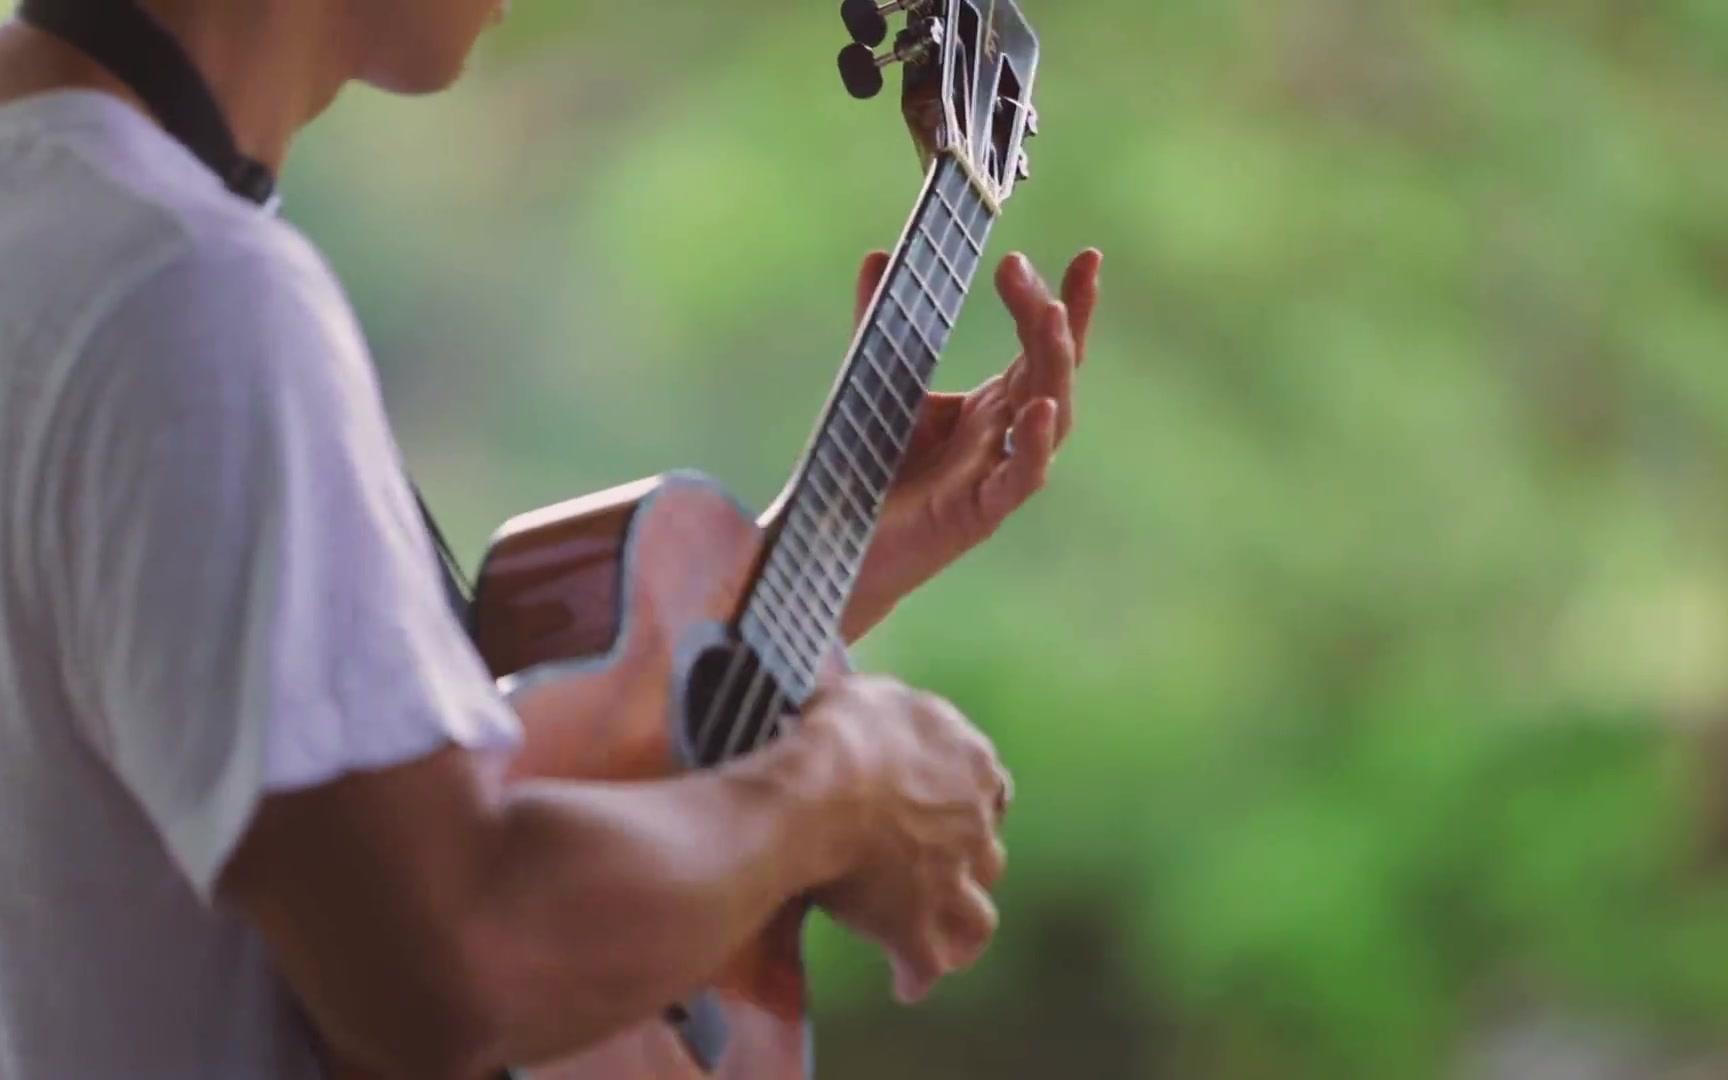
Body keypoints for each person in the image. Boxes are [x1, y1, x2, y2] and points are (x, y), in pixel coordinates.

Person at [0, 0, 1102, 1076]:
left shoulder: (72, 223)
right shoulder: (192, 290)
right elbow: (446, 967)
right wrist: (839, 789)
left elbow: (337, 791)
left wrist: (829, 565)